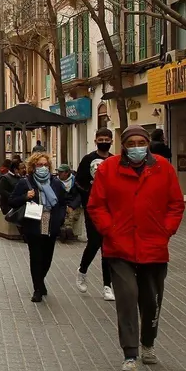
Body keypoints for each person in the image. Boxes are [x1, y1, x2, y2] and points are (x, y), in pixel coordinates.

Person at [88, 125, 184, 371]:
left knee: (151, 302)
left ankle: (148, 343)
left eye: (141, 142)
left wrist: (166, 230)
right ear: (123, 146)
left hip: (154, 247)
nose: (136, 147)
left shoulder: (163, 167)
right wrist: (109, 230)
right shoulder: (108, 169)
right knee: (127, 298)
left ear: (148, 144)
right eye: (131, 143)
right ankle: (130, 355)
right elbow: (96, 205)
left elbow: (176, 203)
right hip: (119, 248)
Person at [9, 151, 68, 303]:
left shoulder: (55, 183)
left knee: (47, 257)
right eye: (39, 165)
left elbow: (62, 202)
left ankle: (40, 281)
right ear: (33, 167)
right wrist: (25, 196)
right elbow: (12, 201)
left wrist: (60, 218)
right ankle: (37, 288)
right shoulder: (25, 182)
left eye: (45, 165)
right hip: (33, 222)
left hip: (50, 221)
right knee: (36, 256)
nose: (43, 167)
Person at [75, 128, 115, 299]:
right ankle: (82, 270)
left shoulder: (115, 160)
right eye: (101, 138)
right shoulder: (88, 159)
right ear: (95, 140)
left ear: (111, 141)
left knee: (108, 245)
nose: (104, 141)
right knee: (95, 242)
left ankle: (107, 285)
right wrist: (89, 196)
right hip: (93, 208)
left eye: (107, 138)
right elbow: (78, 182)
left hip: (111, 209)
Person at [56, 164, 82, 241]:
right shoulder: (55, 181)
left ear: (67, 173)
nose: (58, 174)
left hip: (73, 204)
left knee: (72, 214)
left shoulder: (76, 181)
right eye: (58, 172)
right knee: (61, 214)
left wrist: (72, 206)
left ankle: (66, 229)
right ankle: (65, 229)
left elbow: (79, 196)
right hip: (61, 204)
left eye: (61, 172)